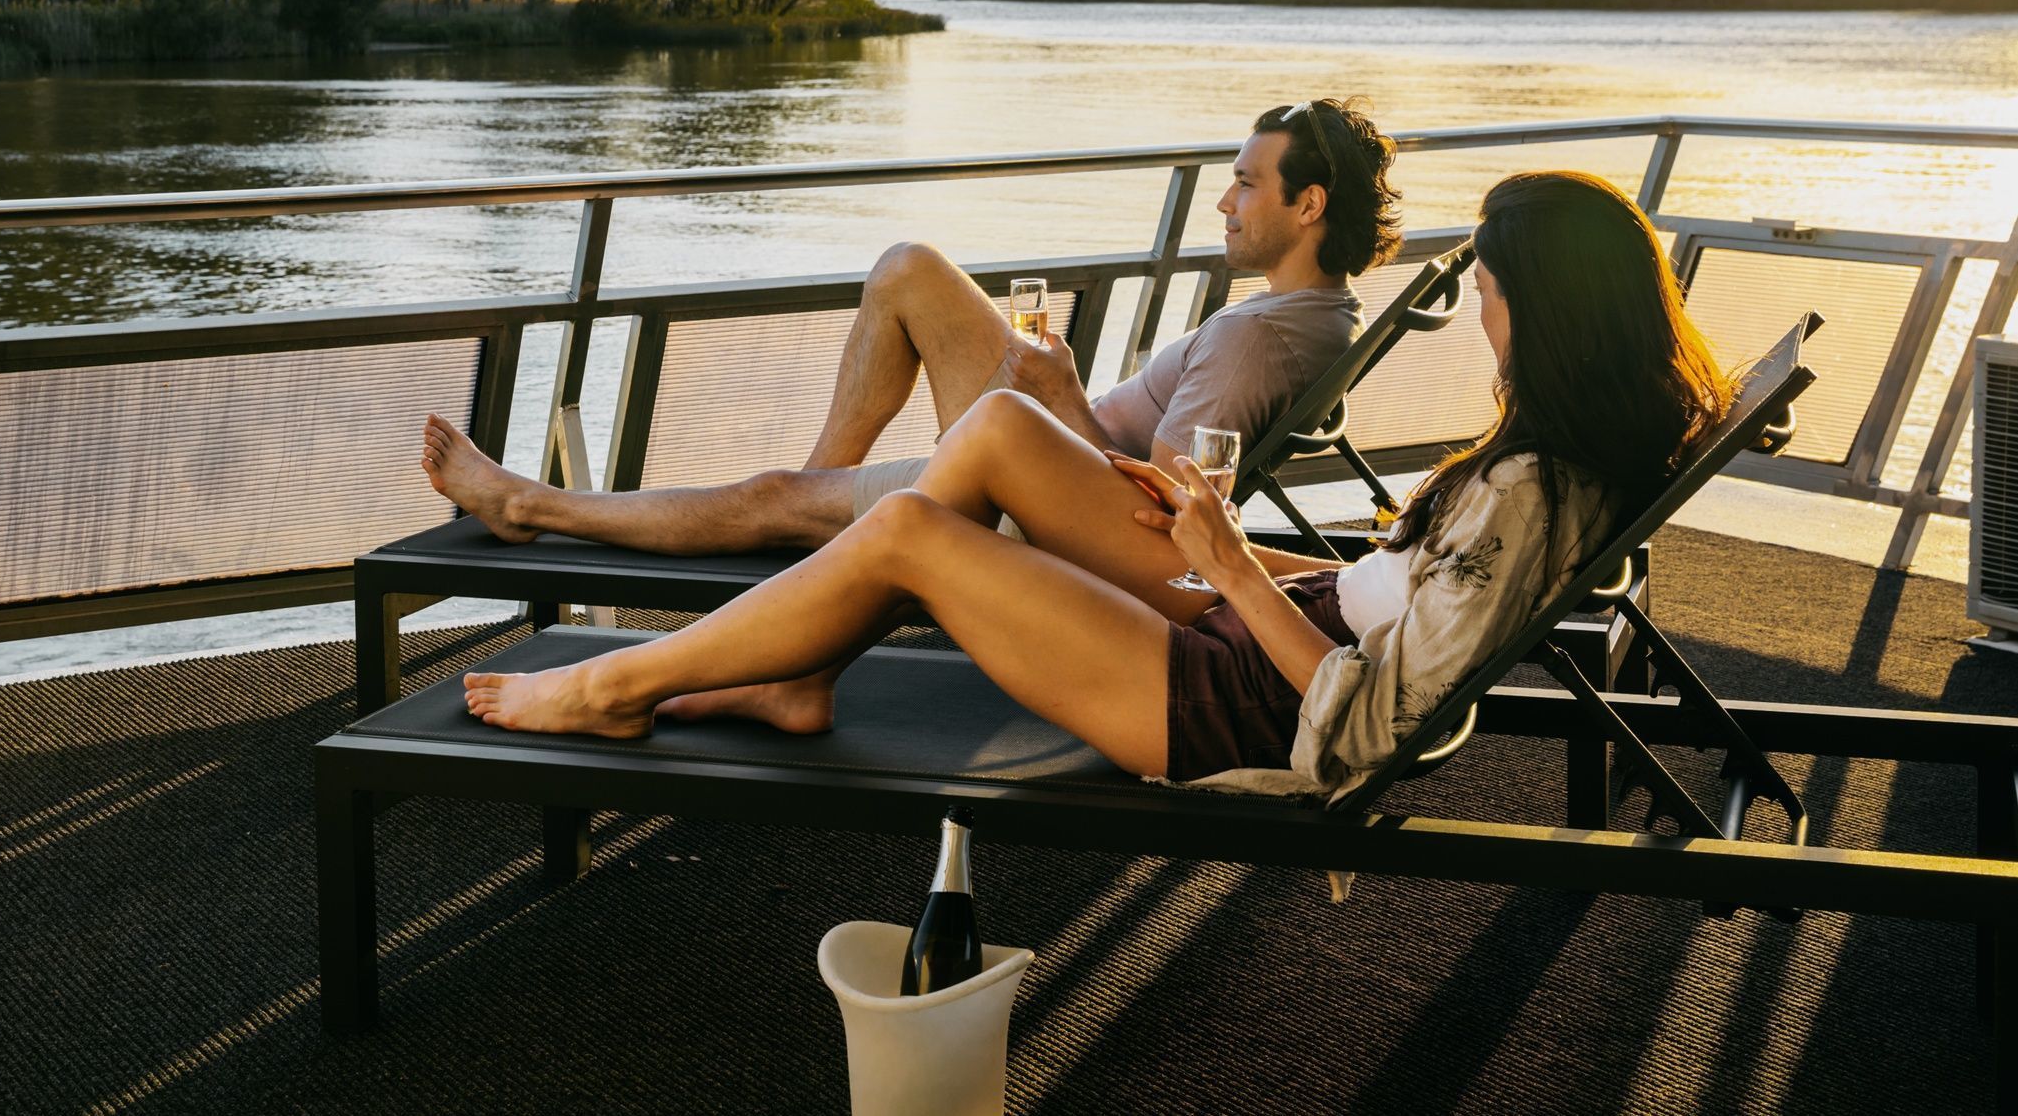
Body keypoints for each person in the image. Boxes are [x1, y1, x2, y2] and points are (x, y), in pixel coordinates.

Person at [457, 171, 1733, 793]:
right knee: (1006, 427)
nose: (1487, 318)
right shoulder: (1554, 469)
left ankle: (612, 682)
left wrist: (1228, 564)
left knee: (907, 526)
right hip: (1270, 624)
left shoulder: (1529, 491)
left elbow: (1373, 725)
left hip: (1239, 706)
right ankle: (793, 672)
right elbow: (1391, 601)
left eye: (1494, 294)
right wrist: (1233, 545)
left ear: (1545, 311)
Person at [420, 99, 1401, 555]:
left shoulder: (1253, 339)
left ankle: (529, 506)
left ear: (1307, 205)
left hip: (1035, 492)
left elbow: (1162, 529)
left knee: (771, 493)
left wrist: (1058, 393)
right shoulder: (1312, 313)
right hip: (1045, 451)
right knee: (907, 273)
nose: (1221, 200)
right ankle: (817, 513)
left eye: (1243, 182)